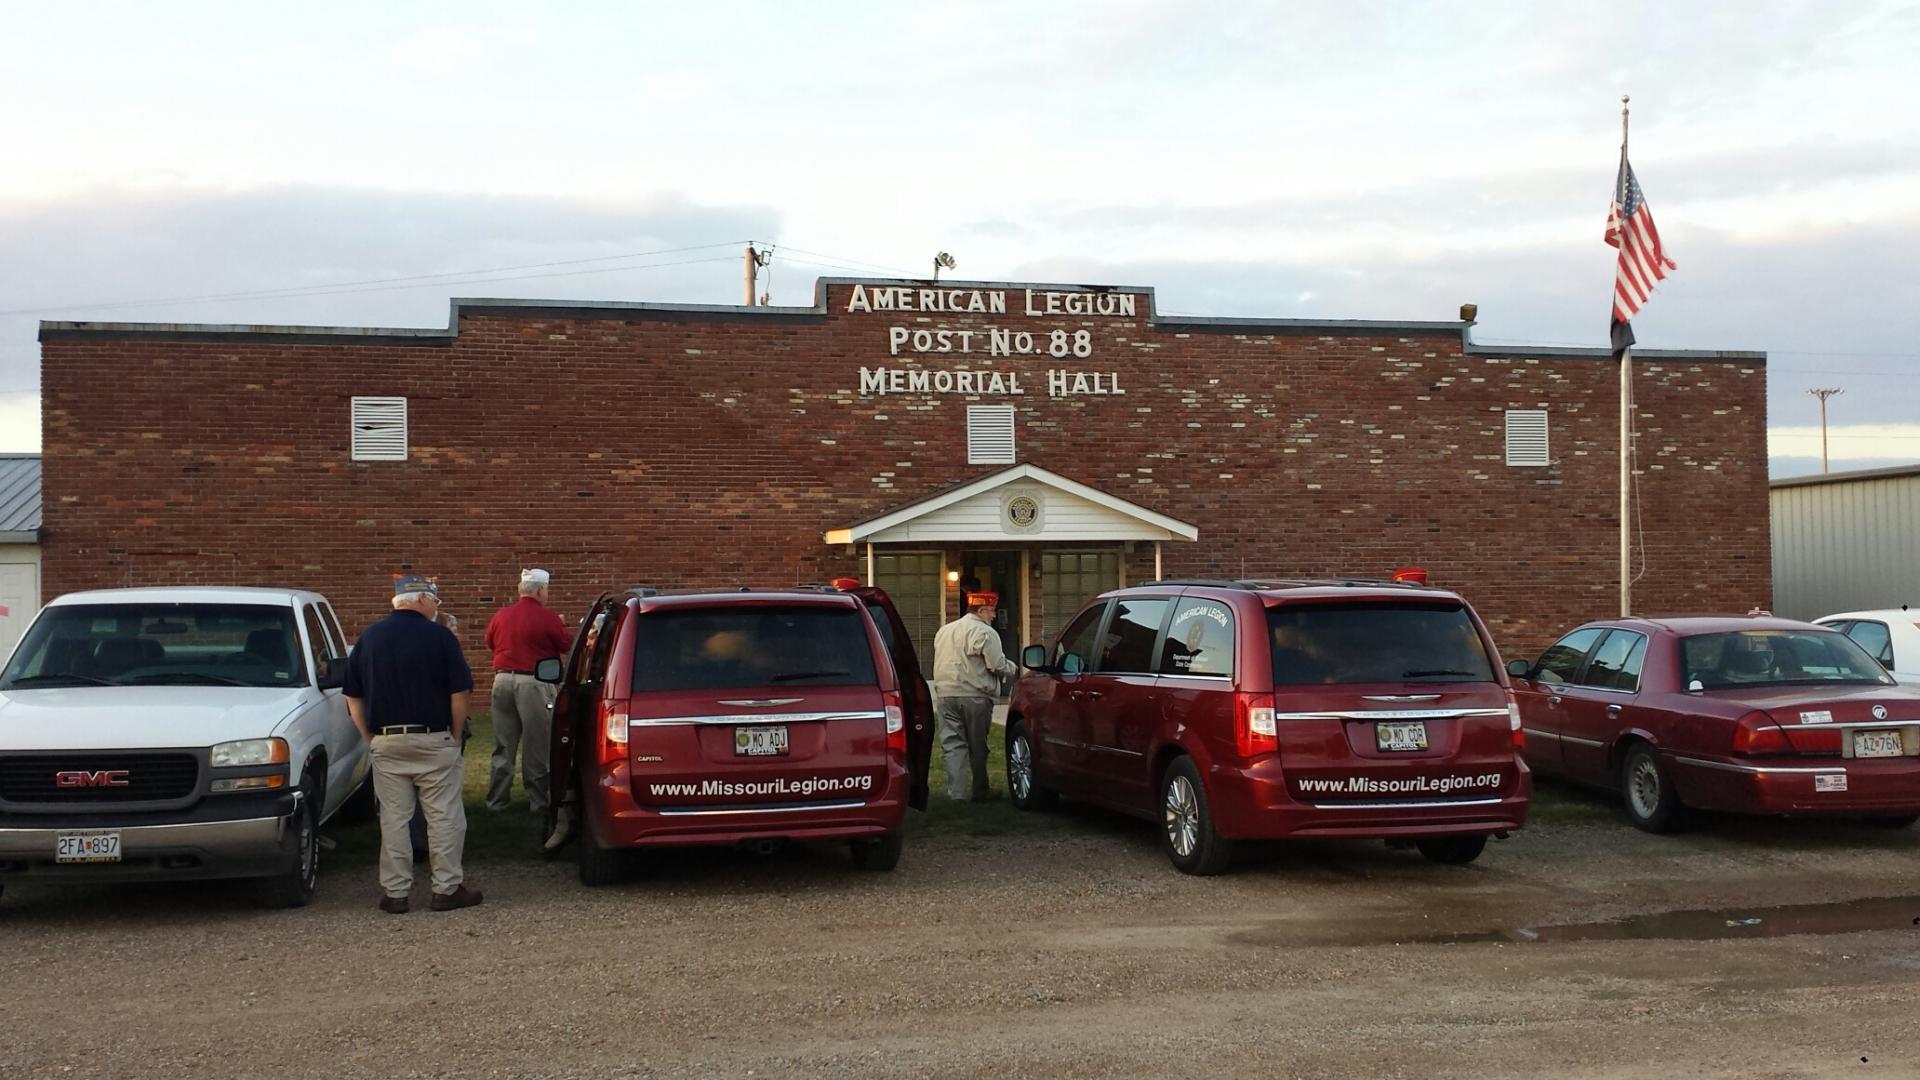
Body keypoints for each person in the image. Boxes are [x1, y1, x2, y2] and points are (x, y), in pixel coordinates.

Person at [344, 573, 482, 914]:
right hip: (433, 737)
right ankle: (446, 888)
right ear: (420, 599)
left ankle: (395, 893)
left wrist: (368, 737)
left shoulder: (370, 637)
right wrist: (454, 732)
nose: (436, 606)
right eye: (435, 599)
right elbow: (458, 692)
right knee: (444, 816)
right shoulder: (440, 637)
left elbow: (353, 695)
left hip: (387, 740)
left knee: (394, 818)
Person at [483, 569, 572, 827]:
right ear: (540, 590)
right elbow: (565, 644)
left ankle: (497, 800)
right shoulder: (548, 617)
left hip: (502, 681)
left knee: (503, 743)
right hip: (533, 683)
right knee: (538, 743)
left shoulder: (501, 615)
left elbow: (490, 642)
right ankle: (539, 800)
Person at [932, 591, 1018, 802]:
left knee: (952, 745)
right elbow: (996, 664)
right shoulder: (985, 632)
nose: (994, 616)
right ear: (981, 611)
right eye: (992, 611)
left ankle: (957, 794)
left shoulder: (944, 631)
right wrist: (1012, 668)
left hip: (945, 695)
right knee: (978, 745)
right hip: (975, 695)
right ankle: (980, 790)